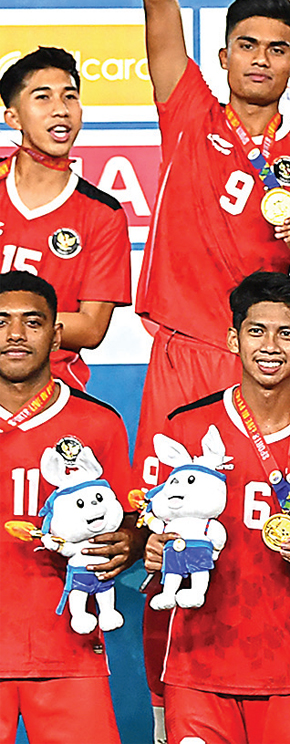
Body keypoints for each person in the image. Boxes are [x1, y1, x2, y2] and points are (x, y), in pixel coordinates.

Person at [133, 0, 290, 481]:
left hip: (258, 353)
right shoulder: (187, 110)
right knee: (164, 503)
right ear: (224, 56)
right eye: (247, 45)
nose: (260, 59)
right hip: (183, 345)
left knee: (250, 501)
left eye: (277, 50)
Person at [142, 272, 290, 744]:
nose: (271, 346)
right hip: (197, 666)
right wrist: (152, 546)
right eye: (257, 331)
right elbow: (150, 526)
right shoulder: (184, 429)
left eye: (287, 333)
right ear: (233, 339)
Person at [0, 270, 136, 744]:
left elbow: (130, 521)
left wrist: (129, 543)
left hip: (68, 646)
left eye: (32, 322)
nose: (16, 334)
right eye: (1, 321)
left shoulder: (98, 423)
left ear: (56, 336)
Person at [0, 47, 132, 390]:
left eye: (70, 97)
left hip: (53, 389)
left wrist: (12, 325)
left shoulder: (103, 213)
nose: (60, 109)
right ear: (13, 118)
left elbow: (91, 328)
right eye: (43, 97)